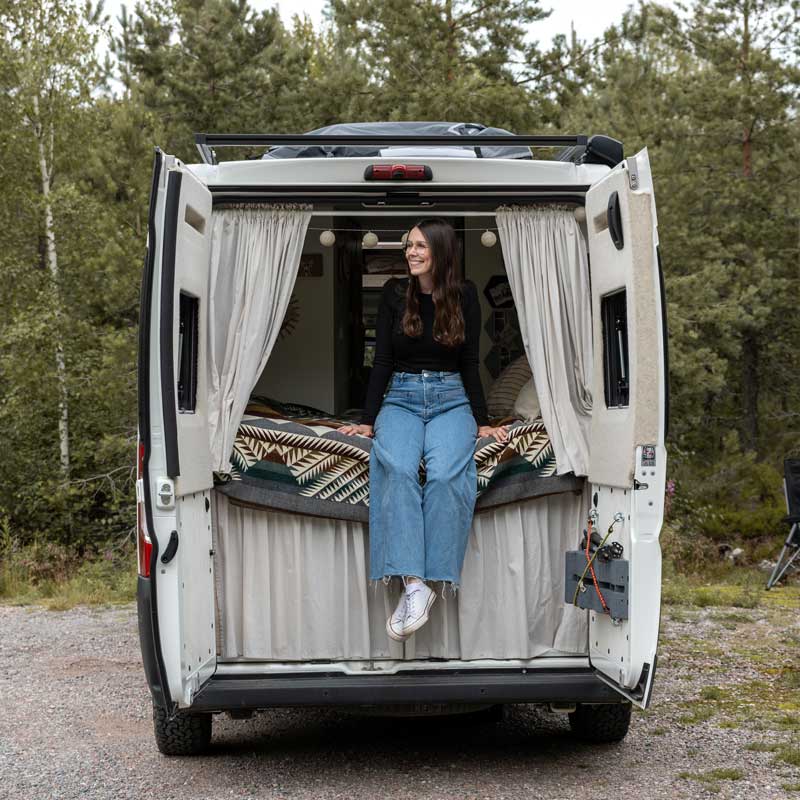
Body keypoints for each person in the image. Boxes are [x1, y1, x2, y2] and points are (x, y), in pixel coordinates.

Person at [339, 218, 509, 642]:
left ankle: (433, 580)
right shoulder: (396, 292)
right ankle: (415, 585)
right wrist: (366, 418)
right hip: (401, 396)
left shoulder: (466, 296)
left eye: (419, 246)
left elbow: (470, 362)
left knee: (447, 474)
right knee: (395, 467)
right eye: (408, 245)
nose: (411, 253)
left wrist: (484, 421)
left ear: (440, 251)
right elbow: (380, 361)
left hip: (452, 399)